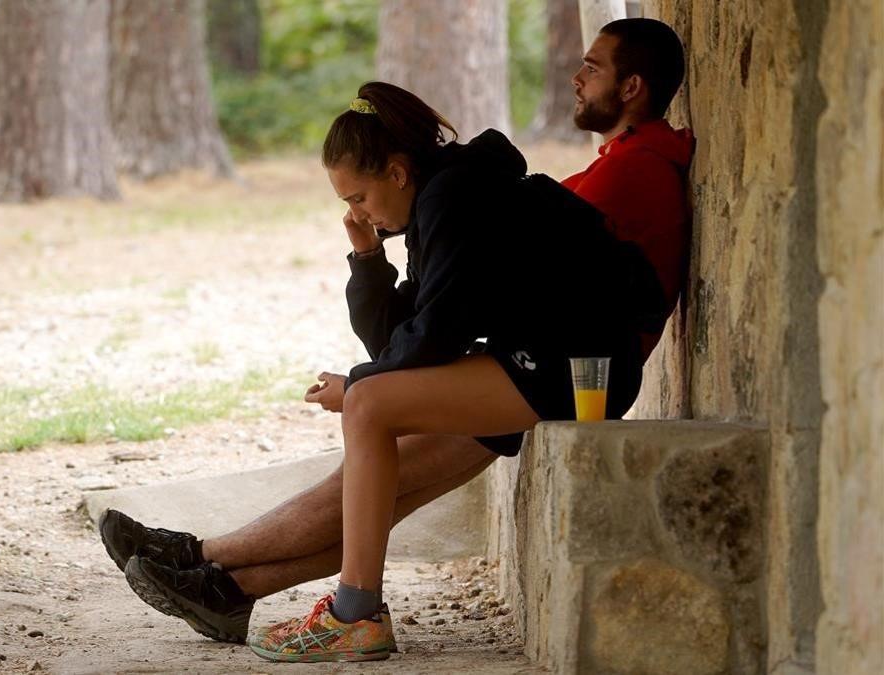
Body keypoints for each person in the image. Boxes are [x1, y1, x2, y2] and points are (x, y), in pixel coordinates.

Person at [101, 17, 694, 663]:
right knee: (383, 477)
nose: (357, 213)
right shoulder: (443, 200)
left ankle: (351, 608)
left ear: (398, 169)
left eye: (359, 196)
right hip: (540, 356)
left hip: (575, 366)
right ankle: (225, 586)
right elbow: (401, 336)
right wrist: (366, 260)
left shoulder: (458, 199)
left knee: (372, 404)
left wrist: (358, 383)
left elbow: (428, 340)